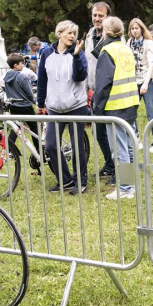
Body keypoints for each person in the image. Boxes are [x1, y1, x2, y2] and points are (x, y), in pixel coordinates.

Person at [38, 20, 91, 194]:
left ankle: (80, 181)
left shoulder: (78, 53)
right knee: (51, 145)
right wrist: (40, 103)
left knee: (77, 147)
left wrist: (76, 56)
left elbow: (80, 76)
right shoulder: (46, 53)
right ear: (59, 33)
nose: (72, 36)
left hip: (76, 105)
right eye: (68, 33)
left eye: (74, 33)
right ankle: (65, 180)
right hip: (54, 106)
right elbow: (42, 80)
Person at [92, 16, 139, 200]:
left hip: (115, 105)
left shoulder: (107, 51)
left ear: (106, 31)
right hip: (130, 102)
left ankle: (126, 187)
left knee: (119, 149)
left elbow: (103, 84)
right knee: (128, 146)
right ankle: (132, 182)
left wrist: (98, 109)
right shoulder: (125, 49)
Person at [85, 2, 116, 180]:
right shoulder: (89, 35)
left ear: (107, 18)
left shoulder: (113, 37)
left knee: (113, 131)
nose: (97, 19)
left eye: (100, 16)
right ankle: (110, 163)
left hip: (110, 90)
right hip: (95, 90)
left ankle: (118, 168)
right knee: (98, 130)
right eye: (95, 15)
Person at [126, 18, 153, 152]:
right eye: (132, 29)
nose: (135, 31)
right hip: (134, 80)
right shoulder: (129, 42)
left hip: (148, 80)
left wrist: (146, 83)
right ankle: (136, 138)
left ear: (141, 29)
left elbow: (152, 64)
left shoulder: (149, 43)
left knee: (152, 113)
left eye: (137, 28)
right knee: (131, 112)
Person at [2, 53, 40, 155]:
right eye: (21, 63)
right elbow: (29, 93)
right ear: (15, 65)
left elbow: (4, 88)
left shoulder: (6, 76)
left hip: (13, 106)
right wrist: (35, 102)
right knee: (34, 127)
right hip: (25, 106)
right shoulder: (21, 77)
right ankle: (39, 150)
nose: (22, 65)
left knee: (15, 128)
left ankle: (9, 149)